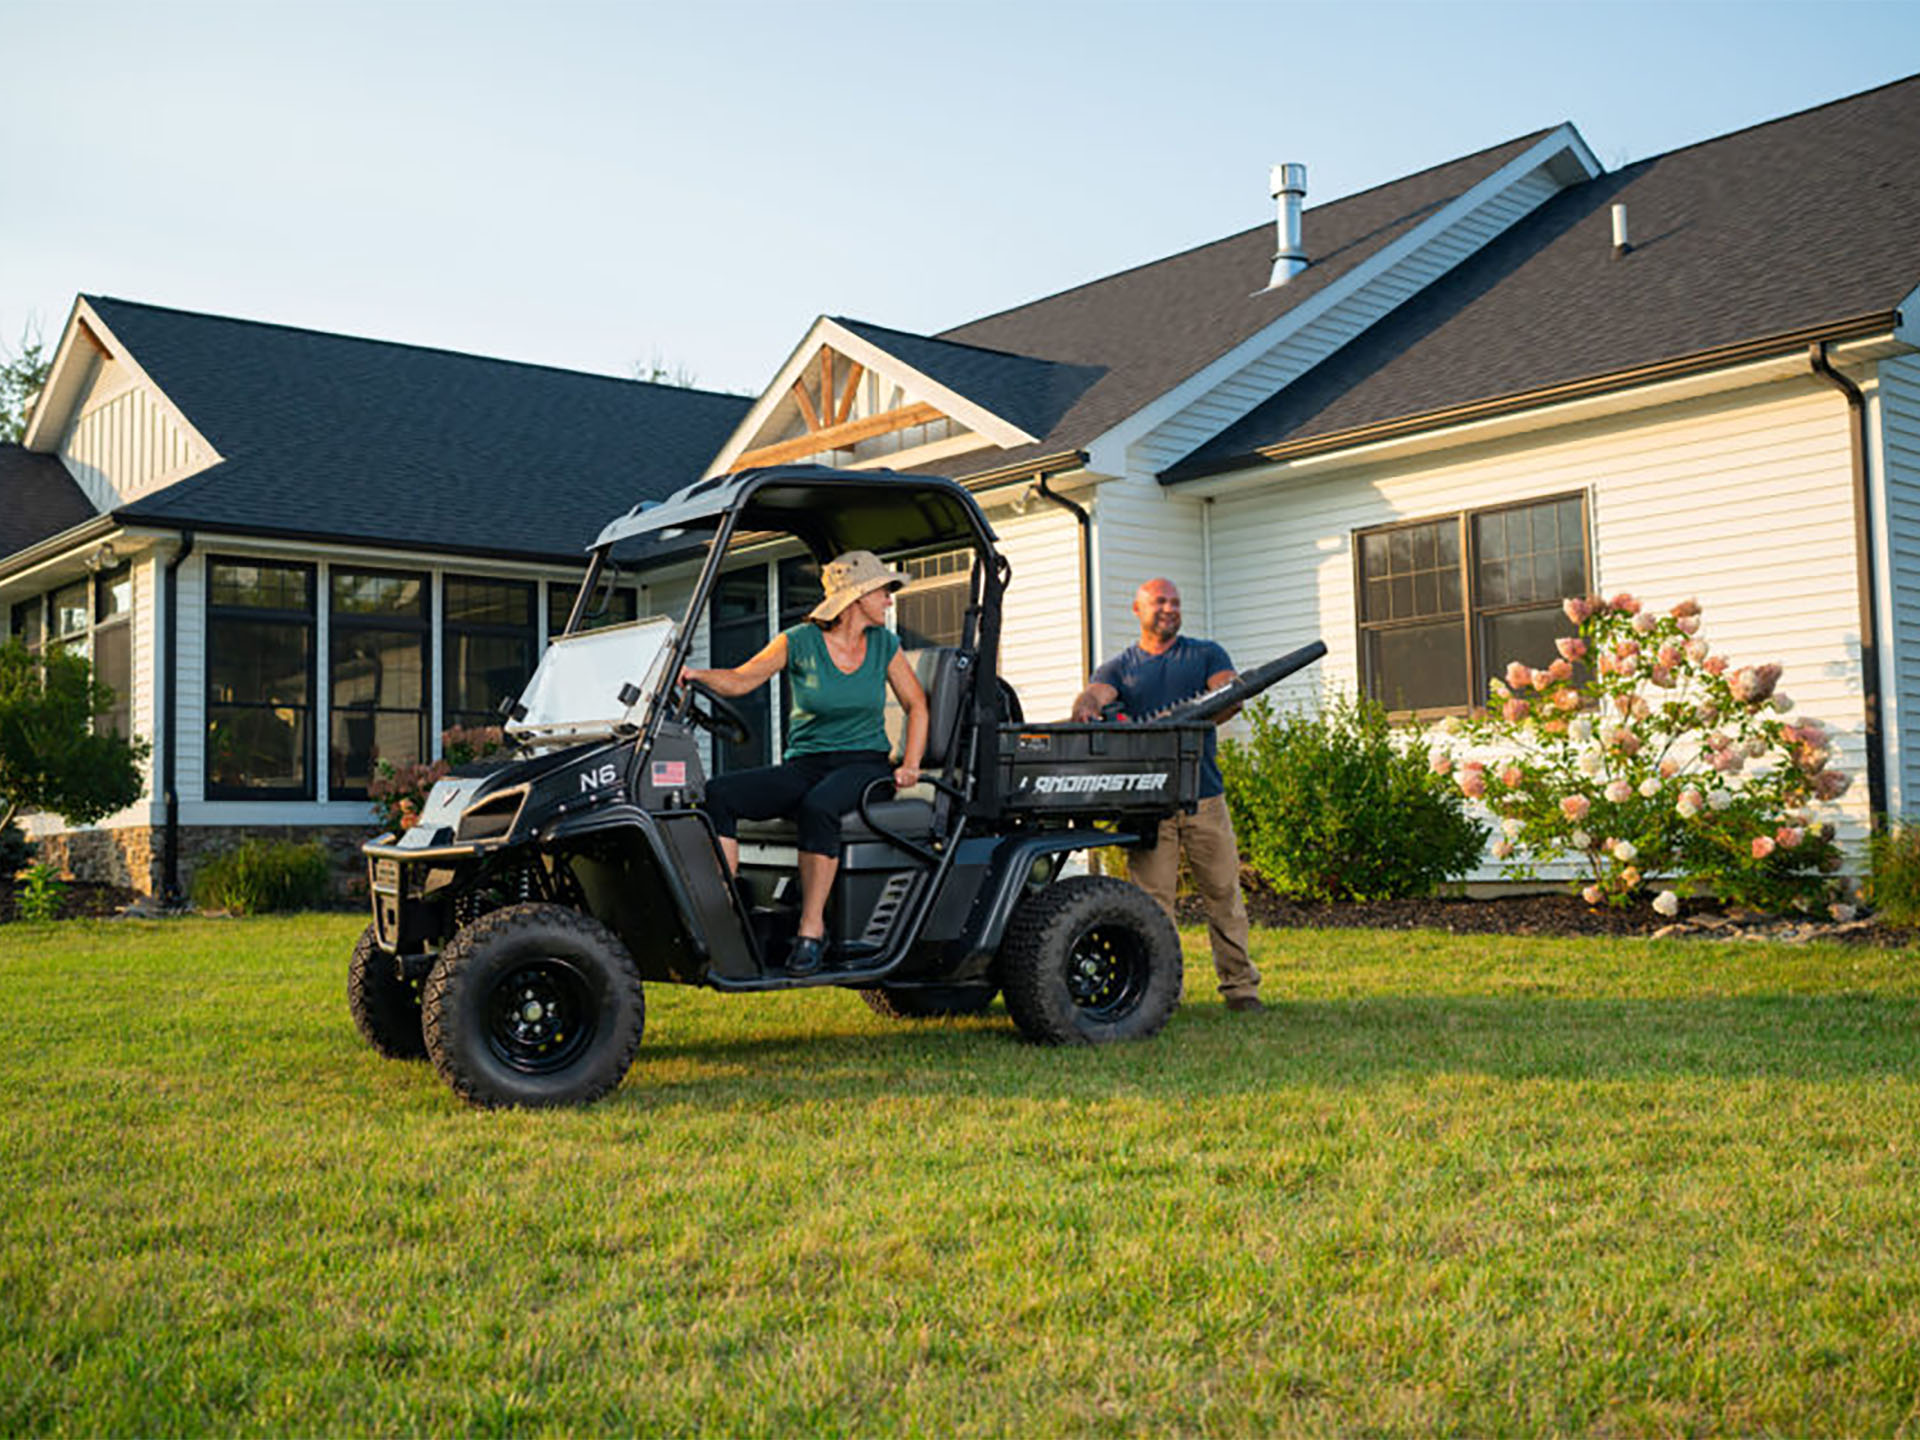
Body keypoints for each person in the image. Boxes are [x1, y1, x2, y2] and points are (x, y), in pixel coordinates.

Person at [682, 550, 929, 975]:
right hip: (808, 764)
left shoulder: (885, 645)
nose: (890, 599)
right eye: (884, 590)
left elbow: (917, 705)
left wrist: (911, 764)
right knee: (718, 793)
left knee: (819, 806)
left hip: (866, 765)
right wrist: (695, 675)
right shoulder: (798, 642)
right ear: (857, 597)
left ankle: (810, 930)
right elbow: (742, 679)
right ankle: (725, 906)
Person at [1070, 577, 1262, 1012]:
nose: (1170, 608)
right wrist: (1087, 706)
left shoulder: (1205, 654)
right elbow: (1096, 693)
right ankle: (1160, 994)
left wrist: (1206, 708)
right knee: (1154, 904)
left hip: (1205, 797)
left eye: (1176, 602)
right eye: (1160, 602)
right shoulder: (1121, 667)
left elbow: (1230, 691)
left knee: (1223, 894)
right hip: (1151, 804)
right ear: (1137, 609)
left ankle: (1241, 989)